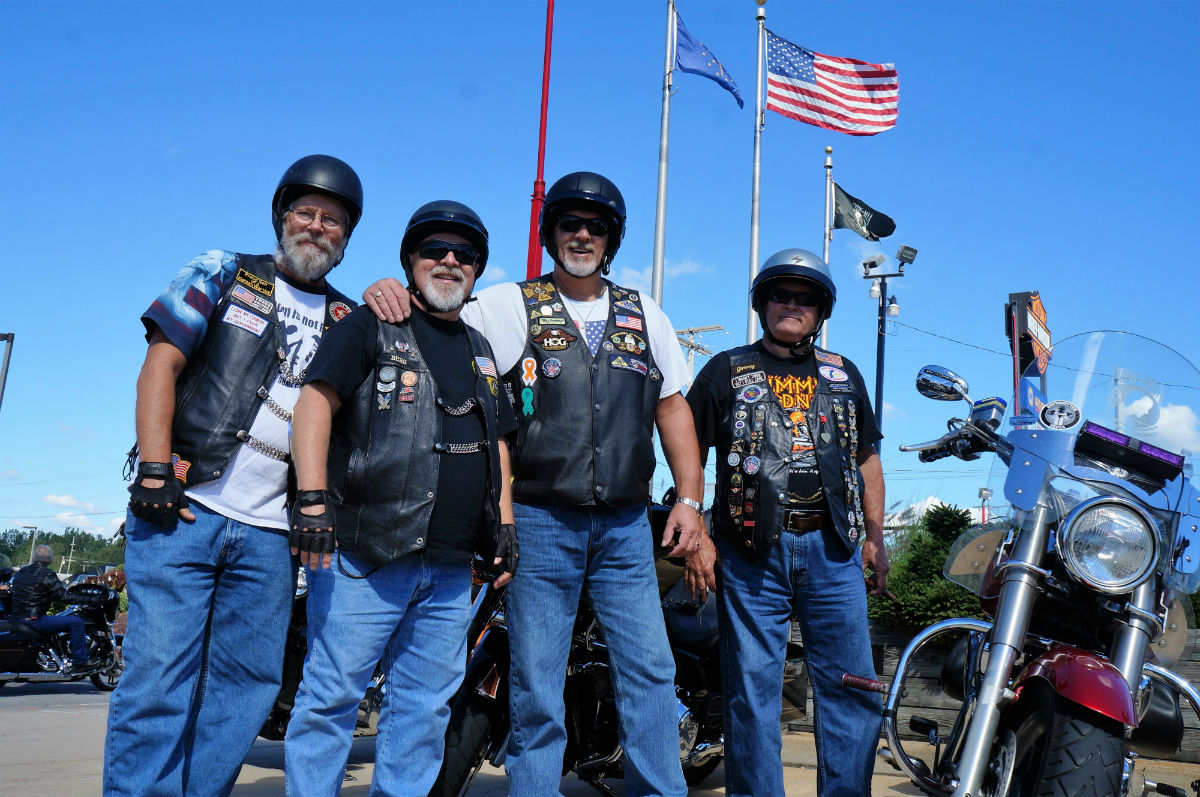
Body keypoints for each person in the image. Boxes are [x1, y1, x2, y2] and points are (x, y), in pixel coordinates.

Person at [363, 171, 707, 796]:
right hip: (541, 521)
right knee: (537, 684)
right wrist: (389, 289)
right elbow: (436, 315)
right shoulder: (505, 304)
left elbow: (673, 406)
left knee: (651, 674)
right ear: (550, 234)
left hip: (628, 528)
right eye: (570, 224)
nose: (582, 235)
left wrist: (690, 500)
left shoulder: (645, 312)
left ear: (612, 239)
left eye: (595, 227)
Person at [103, 154, 363, 797]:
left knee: (246, 689)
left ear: (346, 239)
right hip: (184, 513)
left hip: (275, 535)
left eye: (333, 220)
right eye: (306, 212)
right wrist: (156, 468)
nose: (317, 226)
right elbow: (160, 365)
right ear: (282, 216)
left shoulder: (347, 320)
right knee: (159, 680)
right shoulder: (224, 271)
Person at [283, 200, 519, 797]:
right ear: (410, 261)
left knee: (422, 713)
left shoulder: (482, 351)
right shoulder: (369, 325)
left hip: (449, 571)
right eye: (434, 250)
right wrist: (312, 501)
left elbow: (497, 440)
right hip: (364, 558)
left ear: (476, 270)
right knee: (330, 701)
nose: (448, 261)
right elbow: (314, 403)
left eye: (463, 255)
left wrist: (506, 523)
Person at [685, 248, 889, 797]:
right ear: (762, 304)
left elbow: (867, 459)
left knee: (853, 688)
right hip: (752, 553)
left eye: (805, 298)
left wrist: (875, 537)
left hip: (835, 550)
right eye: (781, 294)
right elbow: (686, 447)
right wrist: (698, 528)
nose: (791, 305)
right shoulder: (726, 368)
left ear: (821, 311)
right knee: (752, 694)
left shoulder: (843, 373)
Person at [9, 545, 95, 670]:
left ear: (34, 558)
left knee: (58, 620)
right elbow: (63, 596)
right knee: (76, 622)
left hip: (17, 618)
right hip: (35, 620)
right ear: (49, 560)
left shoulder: (21, 572)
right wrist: (89, 599)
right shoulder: (46, 574)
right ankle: (81, 661)